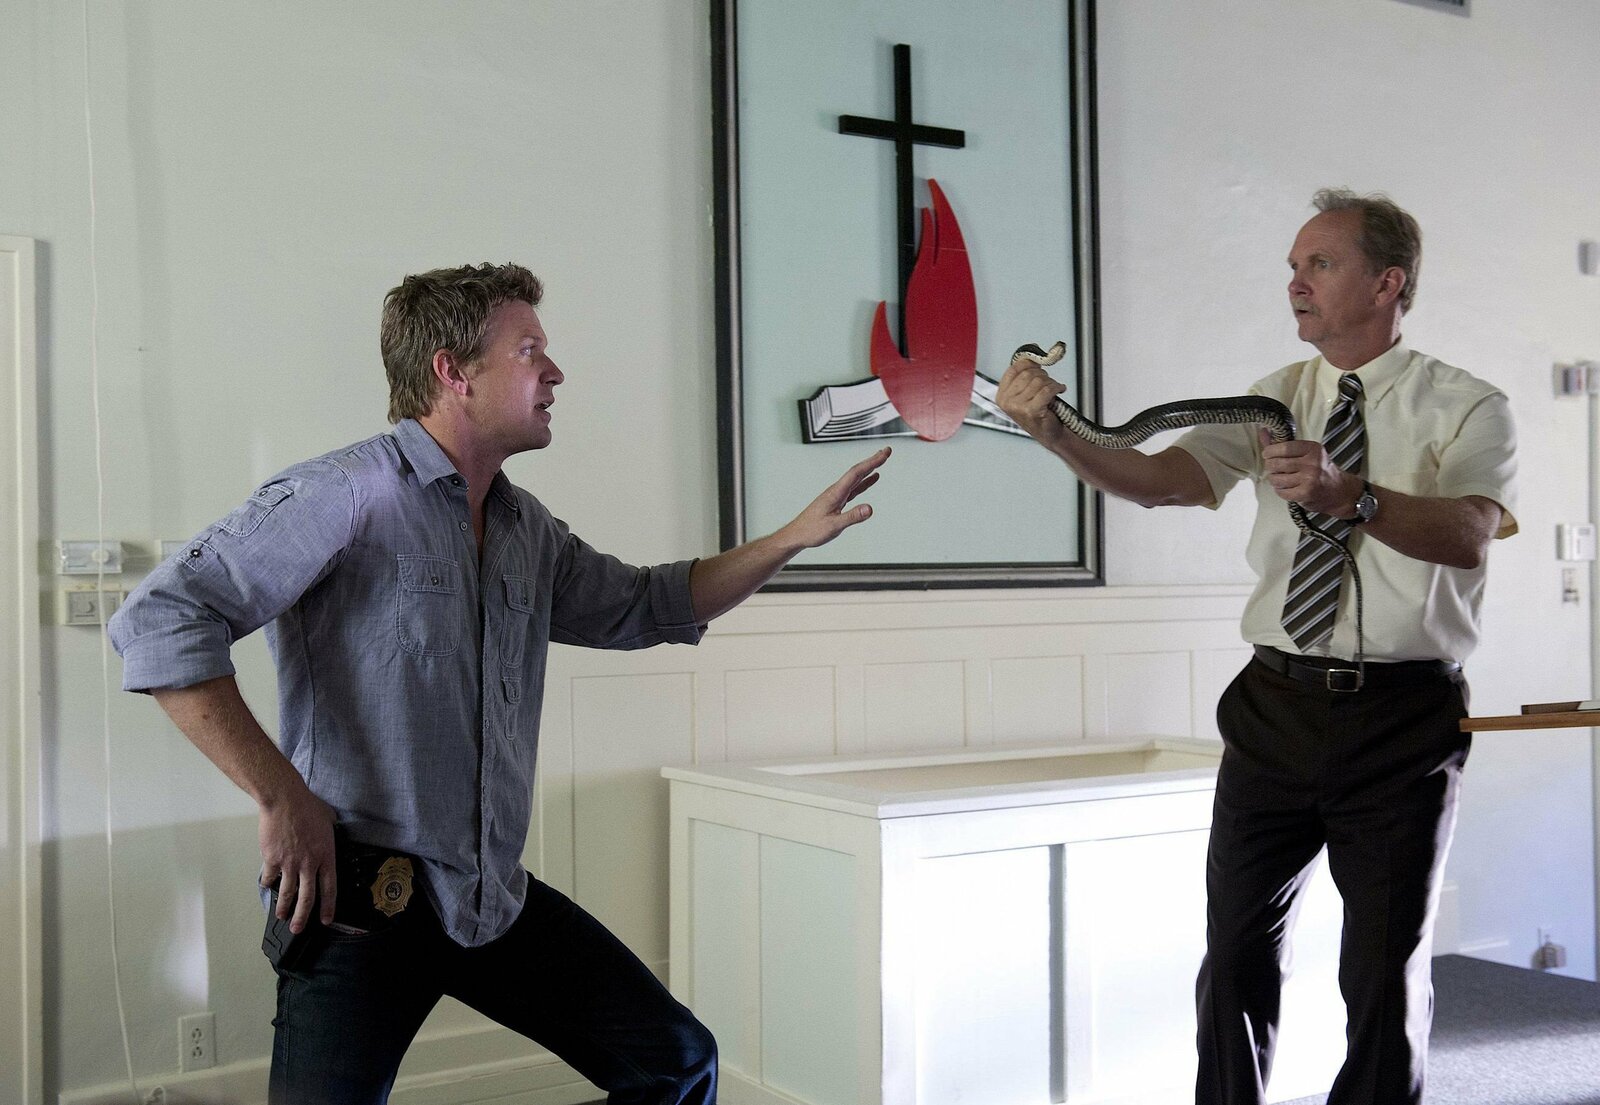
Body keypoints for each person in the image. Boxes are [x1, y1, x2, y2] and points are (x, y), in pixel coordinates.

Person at [108, 262, 890, 1105]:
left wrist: (787, 540)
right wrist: (280, 794)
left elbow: (649, 602)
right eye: (529, 351)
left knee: (677, 1060)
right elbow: (162, 617)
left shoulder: (526, 528)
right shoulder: (343, 493)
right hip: (355, 908)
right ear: (453, 370)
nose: (554, 372)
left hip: (486, 895)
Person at [997, 189, 1516, 1105]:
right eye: (1293, 266)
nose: (1295, 282)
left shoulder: (1470, 404)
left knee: (1382, 968)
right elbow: (1160, 479)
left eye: (1320, 263)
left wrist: (1351, 494)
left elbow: (1470, 533)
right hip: (1273, 707)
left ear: (1387, 282)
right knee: (1235, 952)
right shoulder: (1270, 398)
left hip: (1402, 721)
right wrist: (1054, 434)